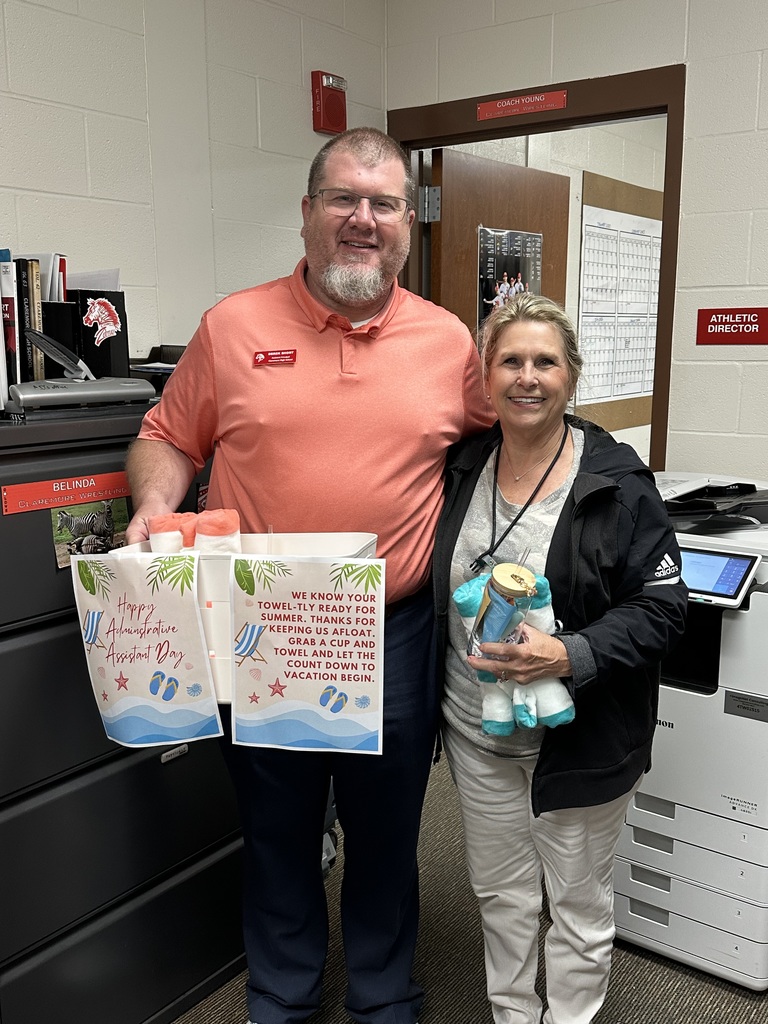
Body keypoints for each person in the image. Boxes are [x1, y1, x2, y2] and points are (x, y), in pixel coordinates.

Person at [124, 127, 492, 1024]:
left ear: (408, 222)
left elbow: (499, 448)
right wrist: (154, 507)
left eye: (384, 203)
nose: (364, 219)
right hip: (265, 627)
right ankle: (281, 998)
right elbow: (167, 435)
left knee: (386, 832)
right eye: (343, 199)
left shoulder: (448, 341)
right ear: (307, 212)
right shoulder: (233, 326)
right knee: (277, 828)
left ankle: (382, 996)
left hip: (392, 629)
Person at [432, 293, 687, 1024]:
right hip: (477, 733)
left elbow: (664, 610)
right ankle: (513, 1013)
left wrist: (571, 653)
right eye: (510, 360)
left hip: (579, 739)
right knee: (502, 895)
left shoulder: (617, 483)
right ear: (486, 375)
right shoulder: (462, 465)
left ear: (571, 376)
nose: (527, 377)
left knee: (576, 905)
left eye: (545, 361)